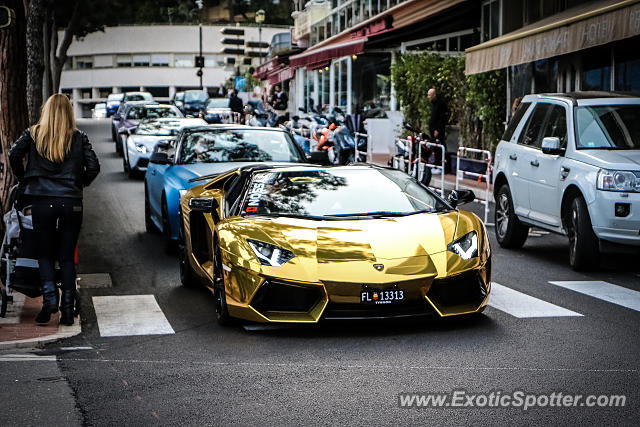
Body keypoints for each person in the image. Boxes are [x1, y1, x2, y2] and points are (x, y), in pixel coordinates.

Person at [9, 94, 100, 326]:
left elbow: (13, 155)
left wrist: (25, 180)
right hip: (71, 202)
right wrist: (79, 183)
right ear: (69, 112)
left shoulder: (33, 134)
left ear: (46, 111)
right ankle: (67, 310)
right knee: (67, 257)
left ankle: (50, 301)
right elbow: (94, 166)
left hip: (41, 201)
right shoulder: (79, 137)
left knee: (45, 254)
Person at [426, 88, 448, 171]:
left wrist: (437, 129)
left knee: (439, 147)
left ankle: (440, 165)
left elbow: (441, 118)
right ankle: (436, 164)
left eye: (430, 95)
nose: (428, 97)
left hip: (438, 130)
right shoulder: (433, 104)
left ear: (434, 95)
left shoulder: (440, 104)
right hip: (433, 129)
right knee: (434, 147)